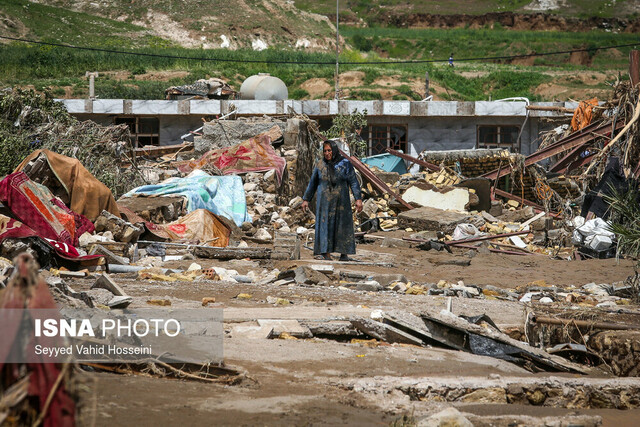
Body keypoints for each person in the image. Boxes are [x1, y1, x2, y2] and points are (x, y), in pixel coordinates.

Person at [302, 140, 363, 261]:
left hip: (342, 201)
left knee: (342, 226)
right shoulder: (320, 165)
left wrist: (358, 199)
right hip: (324, 202)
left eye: (329, 150)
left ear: (334, 150)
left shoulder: (345, 163)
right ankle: (326, 253)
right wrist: (306, 199)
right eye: (325, 151)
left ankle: (344, 253)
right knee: (325, 226)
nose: (327, 153)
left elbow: (353, 182)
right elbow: (312, 184)